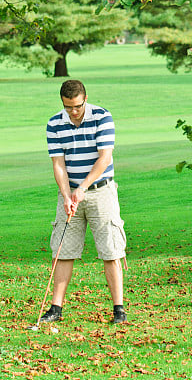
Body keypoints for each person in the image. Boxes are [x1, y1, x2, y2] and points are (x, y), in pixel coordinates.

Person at [41, 79, 127, 324]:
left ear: (85, 99)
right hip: (69, 194)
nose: (74, 111)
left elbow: (104, 158)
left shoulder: (102, 117)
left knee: (110, 250)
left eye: (77, 106)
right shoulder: (54, 123)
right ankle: (55, 308)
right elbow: (58, 164)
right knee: (63, 250)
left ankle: (118, 309)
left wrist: (82, 188)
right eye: (68, 107)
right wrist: (67, 195)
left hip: (101, 191)